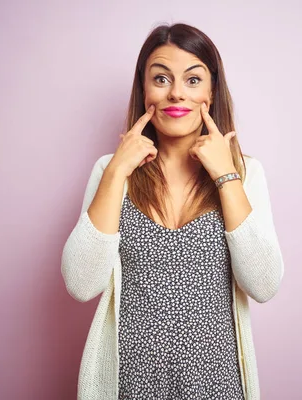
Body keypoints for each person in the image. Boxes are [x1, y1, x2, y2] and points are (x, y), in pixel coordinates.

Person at [61, 23, 284, 400]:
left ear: (211, 92)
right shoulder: (111, 172)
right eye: (161, 78)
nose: (176, 92)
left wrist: (225, 174)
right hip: (130, 386)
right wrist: (117, 170)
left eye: (193, 80)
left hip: (217, 387)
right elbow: (81, 284)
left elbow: (263, 284)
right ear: (144, 90)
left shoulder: (245, 174)